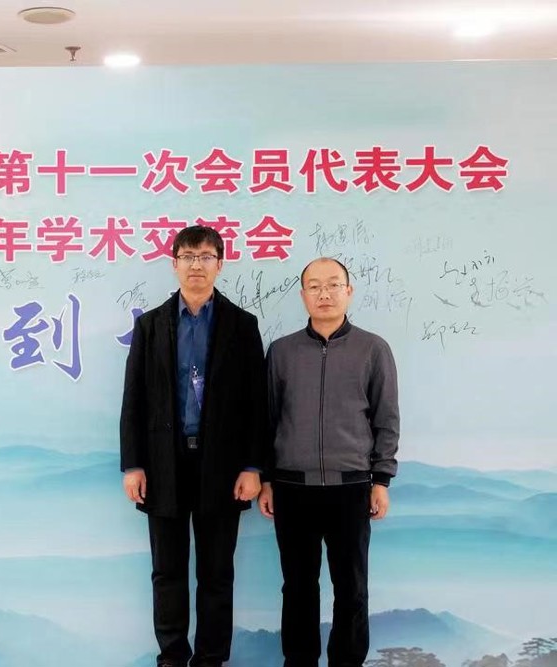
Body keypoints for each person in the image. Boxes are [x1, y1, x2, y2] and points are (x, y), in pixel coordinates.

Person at [120, 225, 268, 667]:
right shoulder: (150, 326)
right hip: (163, 464)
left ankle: (210, 658)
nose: (196, 265)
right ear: (174, 264)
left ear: (220, 264)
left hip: (222, 466)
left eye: (205, 257)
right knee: (167, 570)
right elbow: (134, 399)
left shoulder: (242, 325)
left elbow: (257, 403)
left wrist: (253, 467)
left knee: (216, 572)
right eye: (188, 256)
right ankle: (171, 656)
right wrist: (133, 465)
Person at [258, 257, 400, 667]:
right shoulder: (282, 352)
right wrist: (266, 480)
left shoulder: (373, 349)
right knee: (297, 588)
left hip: (351, 487)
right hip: (292, 488)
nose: (324, 293)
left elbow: (386, 419)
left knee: (351, 589)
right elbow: (266, 420)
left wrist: (381, 479)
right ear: (303, 295)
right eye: (315, 286)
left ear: (348, 292)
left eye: (333, 284)